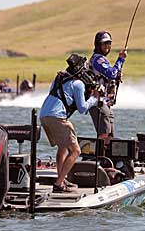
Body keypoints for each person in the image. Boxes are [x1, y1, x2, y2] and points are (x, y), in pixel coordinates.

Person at [40, 54, 98, 193]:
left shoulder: (59, 78)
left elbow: (61, 96)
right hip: (57, 117)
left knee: (62, 148)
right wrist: (94, 98)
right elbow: (83, 108)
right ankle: (59, 184)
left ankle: (61, 178)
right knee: (76, 151)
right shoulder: (78, 84)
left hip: (44, 115)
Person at [88, 31, 127, 146]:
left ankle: (108, 160)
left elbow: (111, 75)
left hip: (105, 103)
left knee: (110, 136)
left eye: (109, 43)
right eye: (104, 43)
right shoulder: (97, 59)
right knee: (104, 134)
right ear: (98, 45)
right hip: (97, 102)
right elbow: (111, 73)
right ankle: (100, 159)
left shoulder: (102, 60)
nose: (107, 46)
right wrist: (121, 59)